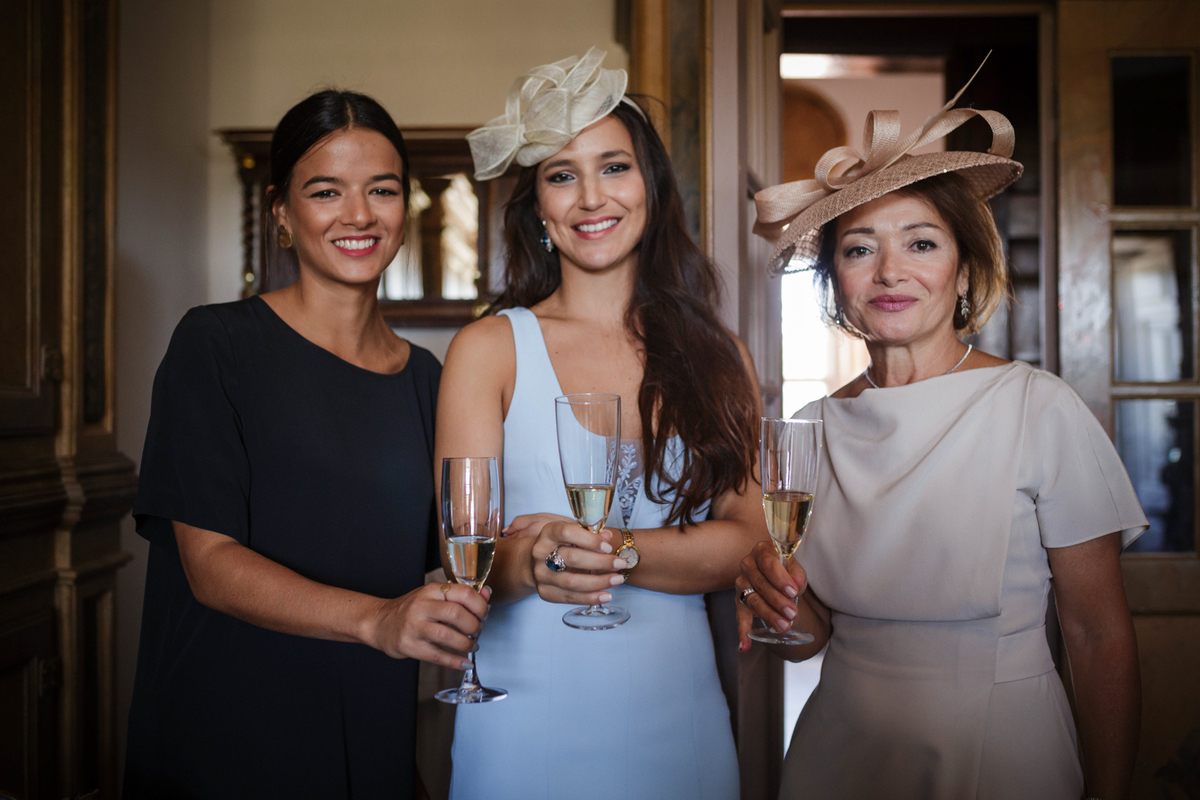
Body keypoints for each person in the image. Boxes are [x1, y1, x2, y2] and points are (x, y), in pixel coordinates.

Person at [738, 81, 1147, 800]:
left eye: (920, 244)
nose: (891, 272)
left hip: (1001, 751)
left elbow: (1098, 636)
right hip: (840, 752)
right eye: (860, 249)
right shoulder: (806, 430)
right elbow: (810, 636)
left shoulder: (1038, 408)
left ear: (962, 269)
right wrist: (767, 595)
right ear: (835, 282)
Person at [123, 90, 488, 799]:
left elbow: (453, 558)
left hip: (369, 735)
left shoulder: (426, 381)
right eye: (327, 191)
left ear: (405, 208)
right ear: (282, 211)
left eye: (382, 190)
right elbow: (211, 566)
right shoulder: (215, 345)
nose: (359, 215)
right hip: (226, 740)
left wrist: (547, 550)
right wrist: (377, 620)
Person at [436, 48, 765, 800]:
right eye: (561, 174)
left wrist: (614, 550)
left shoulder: (720, 355)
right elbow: (470, 551)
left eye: (614, 167)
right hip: (523, 720)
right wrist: (540, 557)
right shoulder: (489, 349)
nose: (591, 196)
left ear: (651, 187)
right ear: (540, 208)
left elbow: (746, 538)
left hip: (679, 721)